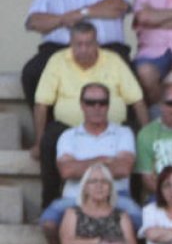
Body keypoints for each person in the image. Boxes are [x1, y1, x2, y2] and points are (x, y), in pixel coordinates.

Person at [31, 23, 147, 218]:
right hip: (68, 128)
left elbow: (137, 100)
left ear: (97, 44)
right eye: (78, 44)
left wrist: (147, 135)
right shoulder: (58, 61)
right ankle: (50, 203)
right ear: (70, 44)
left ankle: (132, 199)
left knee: (134, 138)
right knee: (48, 141)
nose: (83, 49)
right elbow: (41, 104)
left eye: (88, 44)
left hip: (112, 127)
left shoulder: (113, 60)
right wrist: (38, 141)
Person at [23, 0, 131, 106]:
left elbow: (119, 6)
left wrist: (82, 12)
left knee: (132, 76)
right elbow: (33, 22)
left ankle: (126, 129)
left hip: (106, 48)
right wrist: (63, 19)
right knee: (31, 73)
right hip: (58, 50)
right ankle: (47, 128)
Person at [39, 82, 142, 244]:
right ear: (82, 105)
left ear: (108, 105)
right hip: (75, 196)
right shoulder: (68, 135)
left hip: (117, 196)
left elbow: (123, 168)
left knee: (144, 225)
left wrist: (80, 165)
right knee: (48, 224)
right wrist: (104, 160)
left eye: (102, 102)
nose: (97, 107)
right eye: (90, 102)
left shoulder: (123, 133)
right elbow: (66, 171)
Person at [58, 165, 137, 244]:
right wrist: (99, 242)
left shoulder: (121, 215)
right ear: (85, 188)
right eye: (93, 181)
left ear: (110, 188)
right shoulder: (72, 213)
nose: (99, 186)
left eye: (104, 182)